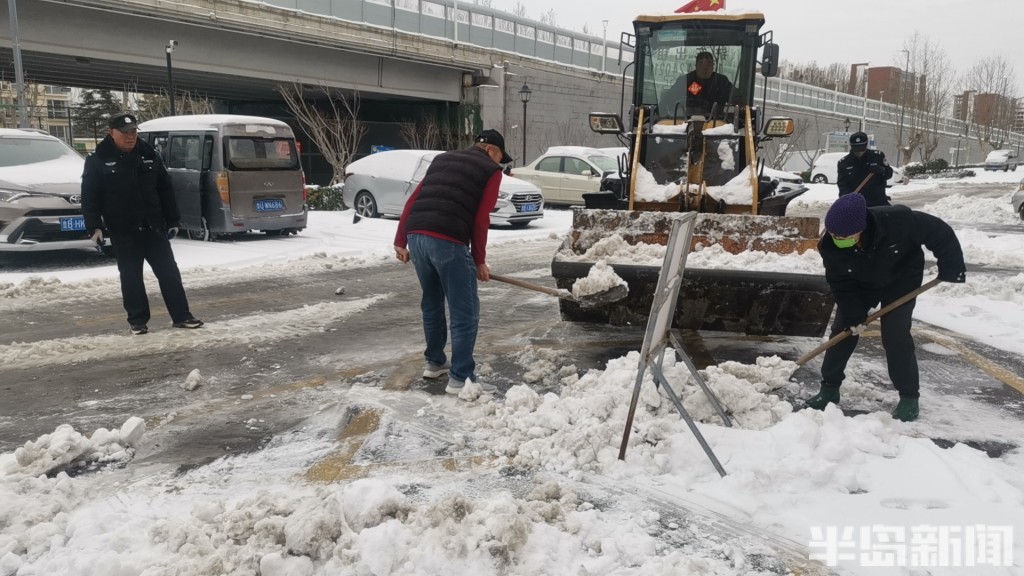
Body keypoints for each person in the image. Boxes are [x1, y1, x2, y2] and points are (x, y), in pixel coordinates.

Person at [804, 193, 966, 422]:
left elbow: (939, 232)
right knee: (843, 330)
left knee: (896, 335)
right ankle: (829, 389)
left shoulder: (898, 220)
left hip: (901, 279)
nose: (838, 238)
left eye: (845, 235)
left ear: (862, 227)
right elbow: (840, 283)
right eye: (834, 234)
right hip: (859, 284)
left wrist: (952, 267)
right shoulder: (830, 246)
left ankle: (909, 397)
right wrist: (853, 315)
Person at [393, 129, 512, 395]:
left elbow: (412, 201)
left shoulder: (442, 159)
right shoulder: (492, 171)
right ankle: (461, 378)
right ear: (492, 151)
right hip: (447, 239)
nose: (499, 164)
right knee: (464, 311)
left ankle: (435, 362)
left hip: (417, 237)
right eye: (500, 157)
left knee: (432, 301)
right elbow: (481, 219)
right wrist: (479, 260)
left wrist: (401, 239)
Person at [81, 112, 203, 335]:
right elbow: (90, 197)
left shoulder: (149, 155)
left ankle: (182, 316)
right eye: (125, 132)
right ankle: (137, 322)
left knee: (169, 273)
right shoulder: (97, 160)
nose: (131, 136)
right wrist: (94, 226)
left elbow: (165, 189)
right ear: (111, 133)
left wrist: (173, 219)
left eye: (134, 132)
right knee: (131, 277)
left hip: (153, 227)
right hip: (123, 230)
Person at [659, 51, 734, 118]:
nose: (705, 67)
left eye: (709, 63)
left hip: (715, 125)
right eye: (701, 63)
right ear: (696, 65)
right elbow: (666, 101)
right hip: (685, 123)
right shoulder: (685, 81)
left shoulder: (721, 82)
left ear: (713, 66)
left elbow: (737, 99)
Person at [837, 131, 893, 207]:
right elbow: (842, 184)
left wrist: (882, 170)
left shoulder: (877, 156)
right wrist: (848, 197)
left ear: (866, 145)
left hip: (878, 202)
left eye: (862, 149)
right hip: (856, 204)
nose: (859, 152)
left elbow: (889, 174)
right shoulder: (844, 163)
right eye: (856, 149)